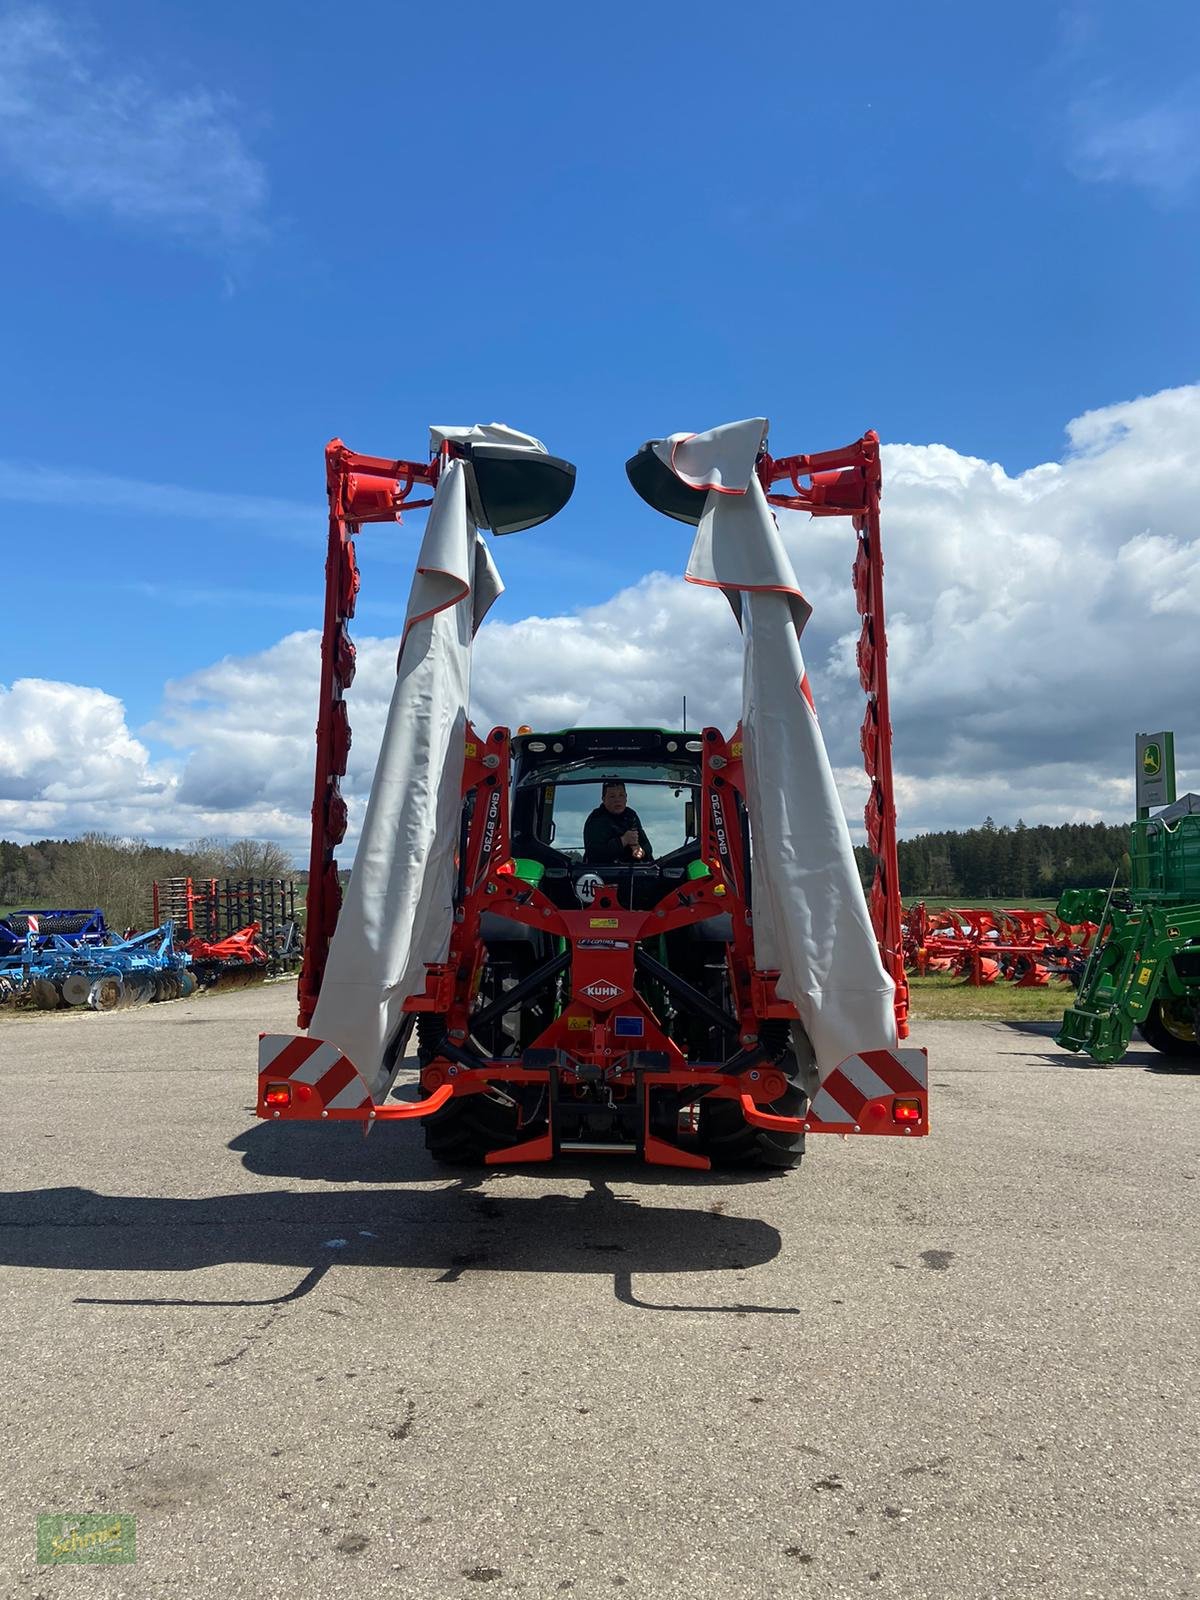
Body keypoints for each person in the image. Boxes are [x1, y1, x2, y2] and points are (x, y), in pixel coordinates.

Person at [583, 780, 653, 864]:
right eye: (612, 796)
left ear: (626, 797)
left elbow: (646, 845)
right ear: (604, 799)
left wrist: (641, 852)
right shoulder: (596, 818)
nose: (617, 800)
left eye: (621, 795)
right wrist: (623, 841)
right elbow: (594, 854)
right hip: (603, 872)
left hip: (634, 871)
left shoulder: (631, 815)